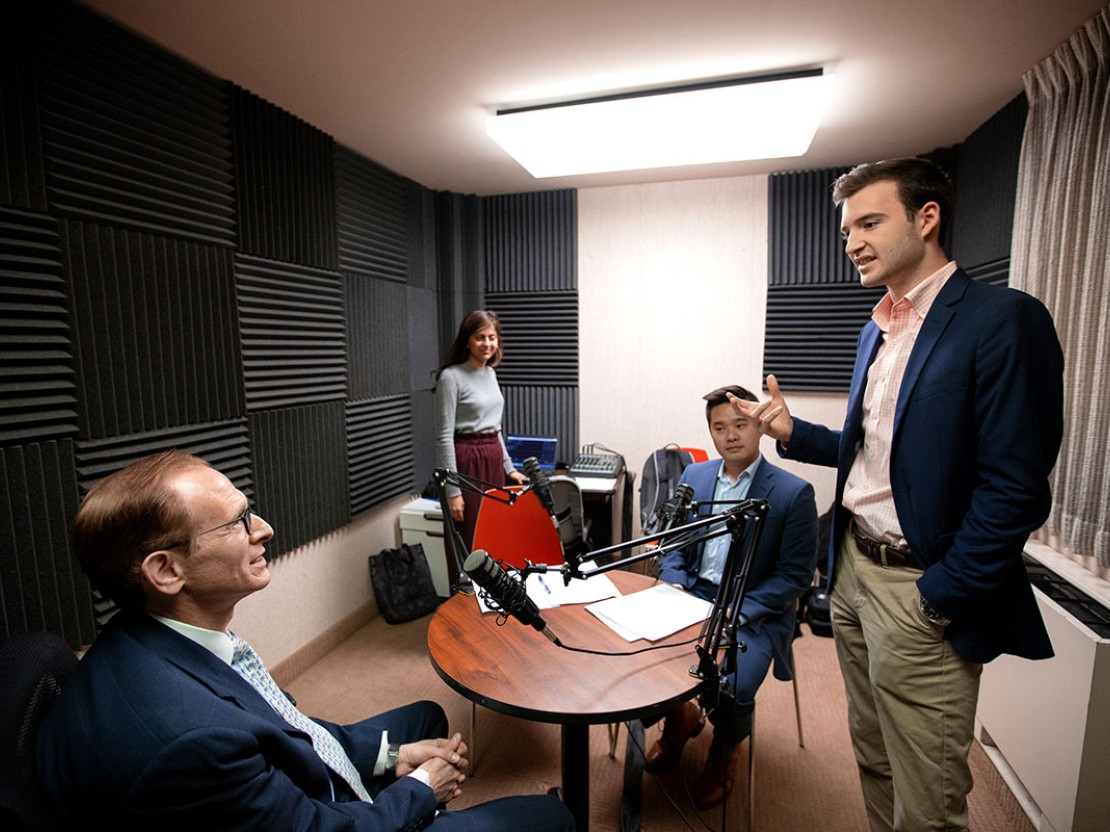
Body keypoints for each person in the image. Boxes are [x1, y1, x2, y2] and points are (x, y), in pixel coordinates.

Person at [733, 157, 1064, 832]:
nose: (851, 241)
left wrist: (939, 598)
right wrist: (795, 431)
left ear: (927, 217)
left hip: (921, 589)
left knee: (928, 795)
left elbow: (1016, 486)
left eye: (869, 222)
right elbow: (877, 453)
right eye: (847, 228)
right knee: (875, 757)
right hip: (852, 574)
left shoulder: (1003, 320)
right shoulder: (874, 329)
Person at [35, 450, 574, 832]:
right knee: (550, 816)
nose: (264, 528)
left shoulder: (149, 637)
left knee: (427, 718)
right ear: (166, 571)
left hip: (274, 786)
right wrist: (418, 790)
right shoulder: (190, 743)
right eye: (238, 522)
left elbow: (287, 726)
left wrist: (394, 757)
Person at [648, 385, 818, 809]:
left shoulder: (793, 492)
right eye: (719, 427)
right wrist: (675, 585)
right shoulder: (695, 477)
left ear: (759, 425)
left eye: (740, 424)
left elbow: (795, 577)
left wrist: (735, 612)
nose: (731, 435)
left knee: (734, 683)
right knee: (640, 658)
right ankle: (680, 719)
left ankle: (724, 752)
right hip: (692, 597)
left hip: (753, 608)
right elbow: (674, 546)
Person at [434, 310, 525, 555]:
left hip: (492, 458)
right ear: (468, 340)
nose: (487, 344)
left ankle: (492, 594)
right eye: (480, 337)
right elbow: (444, 437)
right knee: (470, 538)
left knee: (494, 535)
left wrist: (509, 468)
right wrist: (453, 491)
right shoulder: (451, 377)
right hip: (467, 460)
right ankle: (467, 594)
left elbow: (495, 428)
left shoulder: (490, 373)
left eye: (492, 337)